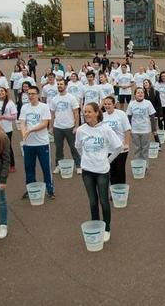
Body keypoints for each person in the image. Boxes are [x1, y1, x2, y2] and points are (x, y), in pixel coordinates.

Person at [76, 102, 124, 244]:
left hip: (102, 171)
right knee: (92, 201)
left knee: (103, 201)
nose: (86, 114)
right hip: (87, 171)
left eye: (89, 111)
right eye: (85, 112)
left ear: (97, 112)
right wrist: (85, 159)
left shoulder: (105, 129)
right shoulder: (81, 130)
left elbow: (118, 147)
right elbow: (78, 147)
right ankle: (96, 226)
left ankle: (107, 228)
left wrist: (107, 160)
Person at [19, 86, 55, 199]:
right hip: (28, 144)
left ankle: (50, 189)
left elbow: (45, 124)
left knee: (46, 167)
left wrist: (30, 130)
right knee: (29, 168)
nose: (31, 96)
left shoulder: (44, 107)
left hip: (42, 143)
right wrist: (24, 132)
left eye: (33, 94)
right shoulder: (25, 107)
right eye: (29, 94)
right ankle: (31, 188)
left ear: (38, 95)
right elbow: (22, 122)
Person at [49, 79, 82, 175]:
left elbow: (76, 113)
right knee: (58, 148)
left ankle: (78, 165)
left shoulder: (71, 98)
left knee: (73, 147)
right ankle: (58, 165)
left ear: (66, 86)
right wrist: (51, 127)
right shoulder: (54, 99)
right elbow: (52, 114)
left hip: (70, 127)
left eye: (61, 84)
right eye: (58, 84)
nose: (59, 85)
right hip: (57, 128)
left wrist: (76, 127)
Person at [102, 96, 131, 185]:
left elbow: (127, 130)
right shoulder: (102, 116)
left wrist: (126, 144)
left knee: (120, 170)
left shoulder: (121, 114)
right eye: (105, 104)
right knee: (111, 171)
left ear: (114, 104)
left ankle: (121, 191)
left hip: (121, 149)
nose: (107, 106)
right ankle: (114, 190)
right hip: (108, 149)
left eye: (109, 104)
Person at [127, 87, 157, 161]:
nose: (140, 94)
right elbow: (129, 117)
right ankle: (138, 164)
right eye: (138, 92)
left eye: (142, 92)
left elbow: (152, 117)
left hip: (145, 130)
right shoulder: (131, 104)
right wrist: (129, 129)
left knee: (145, 149)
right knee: (137, 148)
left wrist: (154, 129)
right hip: (135, 130)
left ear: (144, 94)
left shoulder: (148, 103)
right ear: (135, 95)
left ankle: (145, 165)